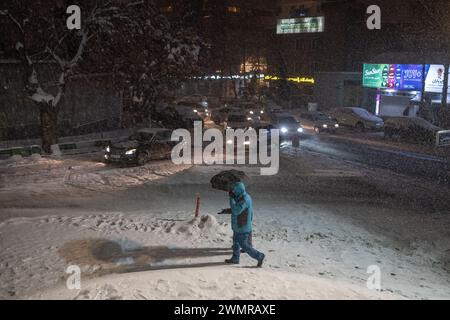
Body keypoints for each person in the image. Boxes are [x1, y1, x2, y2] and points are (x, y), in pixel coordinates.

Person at [219, 182, 265, 267]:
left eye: (233, 190)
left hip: (243, 227)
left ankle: (259, 256)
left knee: (244, 245)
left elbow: (236, 210)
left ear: (238, 190)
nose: (232, 191)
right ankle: (235, 258)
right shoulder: (240, 197)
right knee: (236, 242)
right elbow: (238, 209)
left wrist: (231, 199)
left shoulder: (244, 199)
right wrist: (226, 210)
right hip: (238, 226)